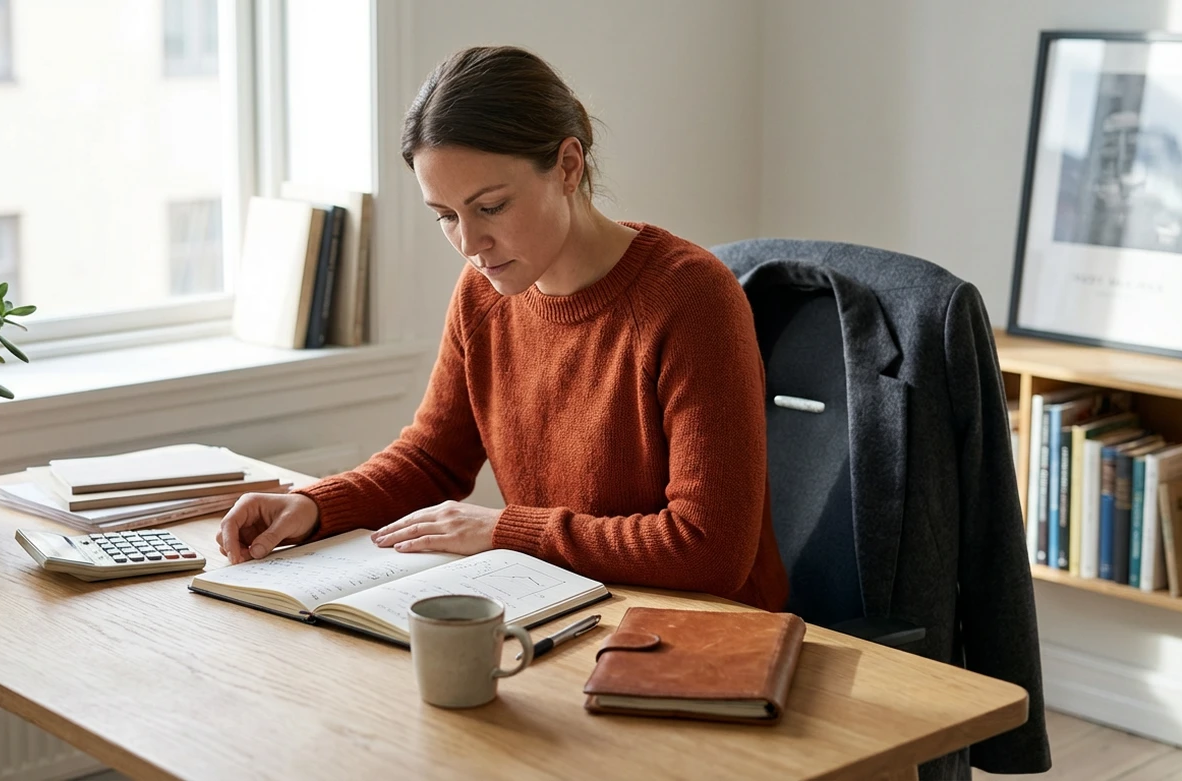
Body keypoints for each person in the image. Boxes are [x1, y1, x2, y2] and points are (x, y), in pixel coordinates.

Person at [217, 45, 788, 610]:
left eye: (490, 207)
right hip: (566, 608)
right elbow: (430, 461)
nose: (469, 244)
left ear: (568, 166)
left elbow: (709, 549)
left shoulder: (691, 299)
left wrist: (504, 531)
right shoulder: (483, 295)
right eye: (445, 216)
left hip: (709, 639)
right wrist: (315, 504)